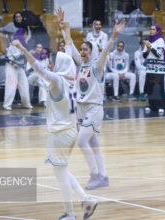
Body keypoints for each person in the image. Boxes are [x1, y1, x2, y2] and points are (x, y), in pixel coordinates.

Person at [11, 39, 98, 220]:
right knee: (62, 170)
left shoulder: (58, 80)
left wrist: (21, 48)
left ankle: (70, 213)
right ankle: (86, 199)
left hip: (61, 132)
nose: (50, 64)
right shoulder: (72, 81)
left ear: (60, 65)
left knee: (60, 173)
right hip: (69, 130)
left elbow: (38, 69)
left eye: (52, 62)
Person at [56, 7, 125, 190]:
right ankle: (103, 176)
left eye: (85, 49)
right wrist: (64, 28)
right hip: (81, 108)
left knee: (81, 141)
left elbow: (105, 52)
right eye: (82, 49)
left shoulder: (97, 66)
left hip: (94, 108)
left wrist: (114, 36)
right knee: (93, 142)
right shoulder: (82, 64)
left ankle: (94, 174)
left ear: (91, 51)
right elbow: (69, 46)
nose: (82, 51)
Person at [3, 27, 32, 110]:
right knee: (11, 85)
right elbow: (8, 56)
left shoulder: (24, 44)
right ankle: (7, 105)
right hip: (11, 66)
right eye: (25, 34)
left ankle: (26, 103)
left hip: (20, 67)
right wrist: (12, 63)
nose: (26, 36)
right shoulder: (13, 43)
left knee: (25, 84)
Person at [143, 24, 165, 113]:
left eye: (153, 29)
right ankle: (151, 106)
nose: (151, 31)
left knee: (158, 88)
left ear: (157, 31)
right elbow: (144, 55)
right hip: (149, 68)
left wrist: (150, 47)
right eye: (151, 29)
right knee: (150, 88)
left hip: (159, 69)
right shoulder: (149, 40)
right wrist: (148, 49)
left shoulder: (160, 40)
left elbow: (158, 54)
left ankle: (161, 106)